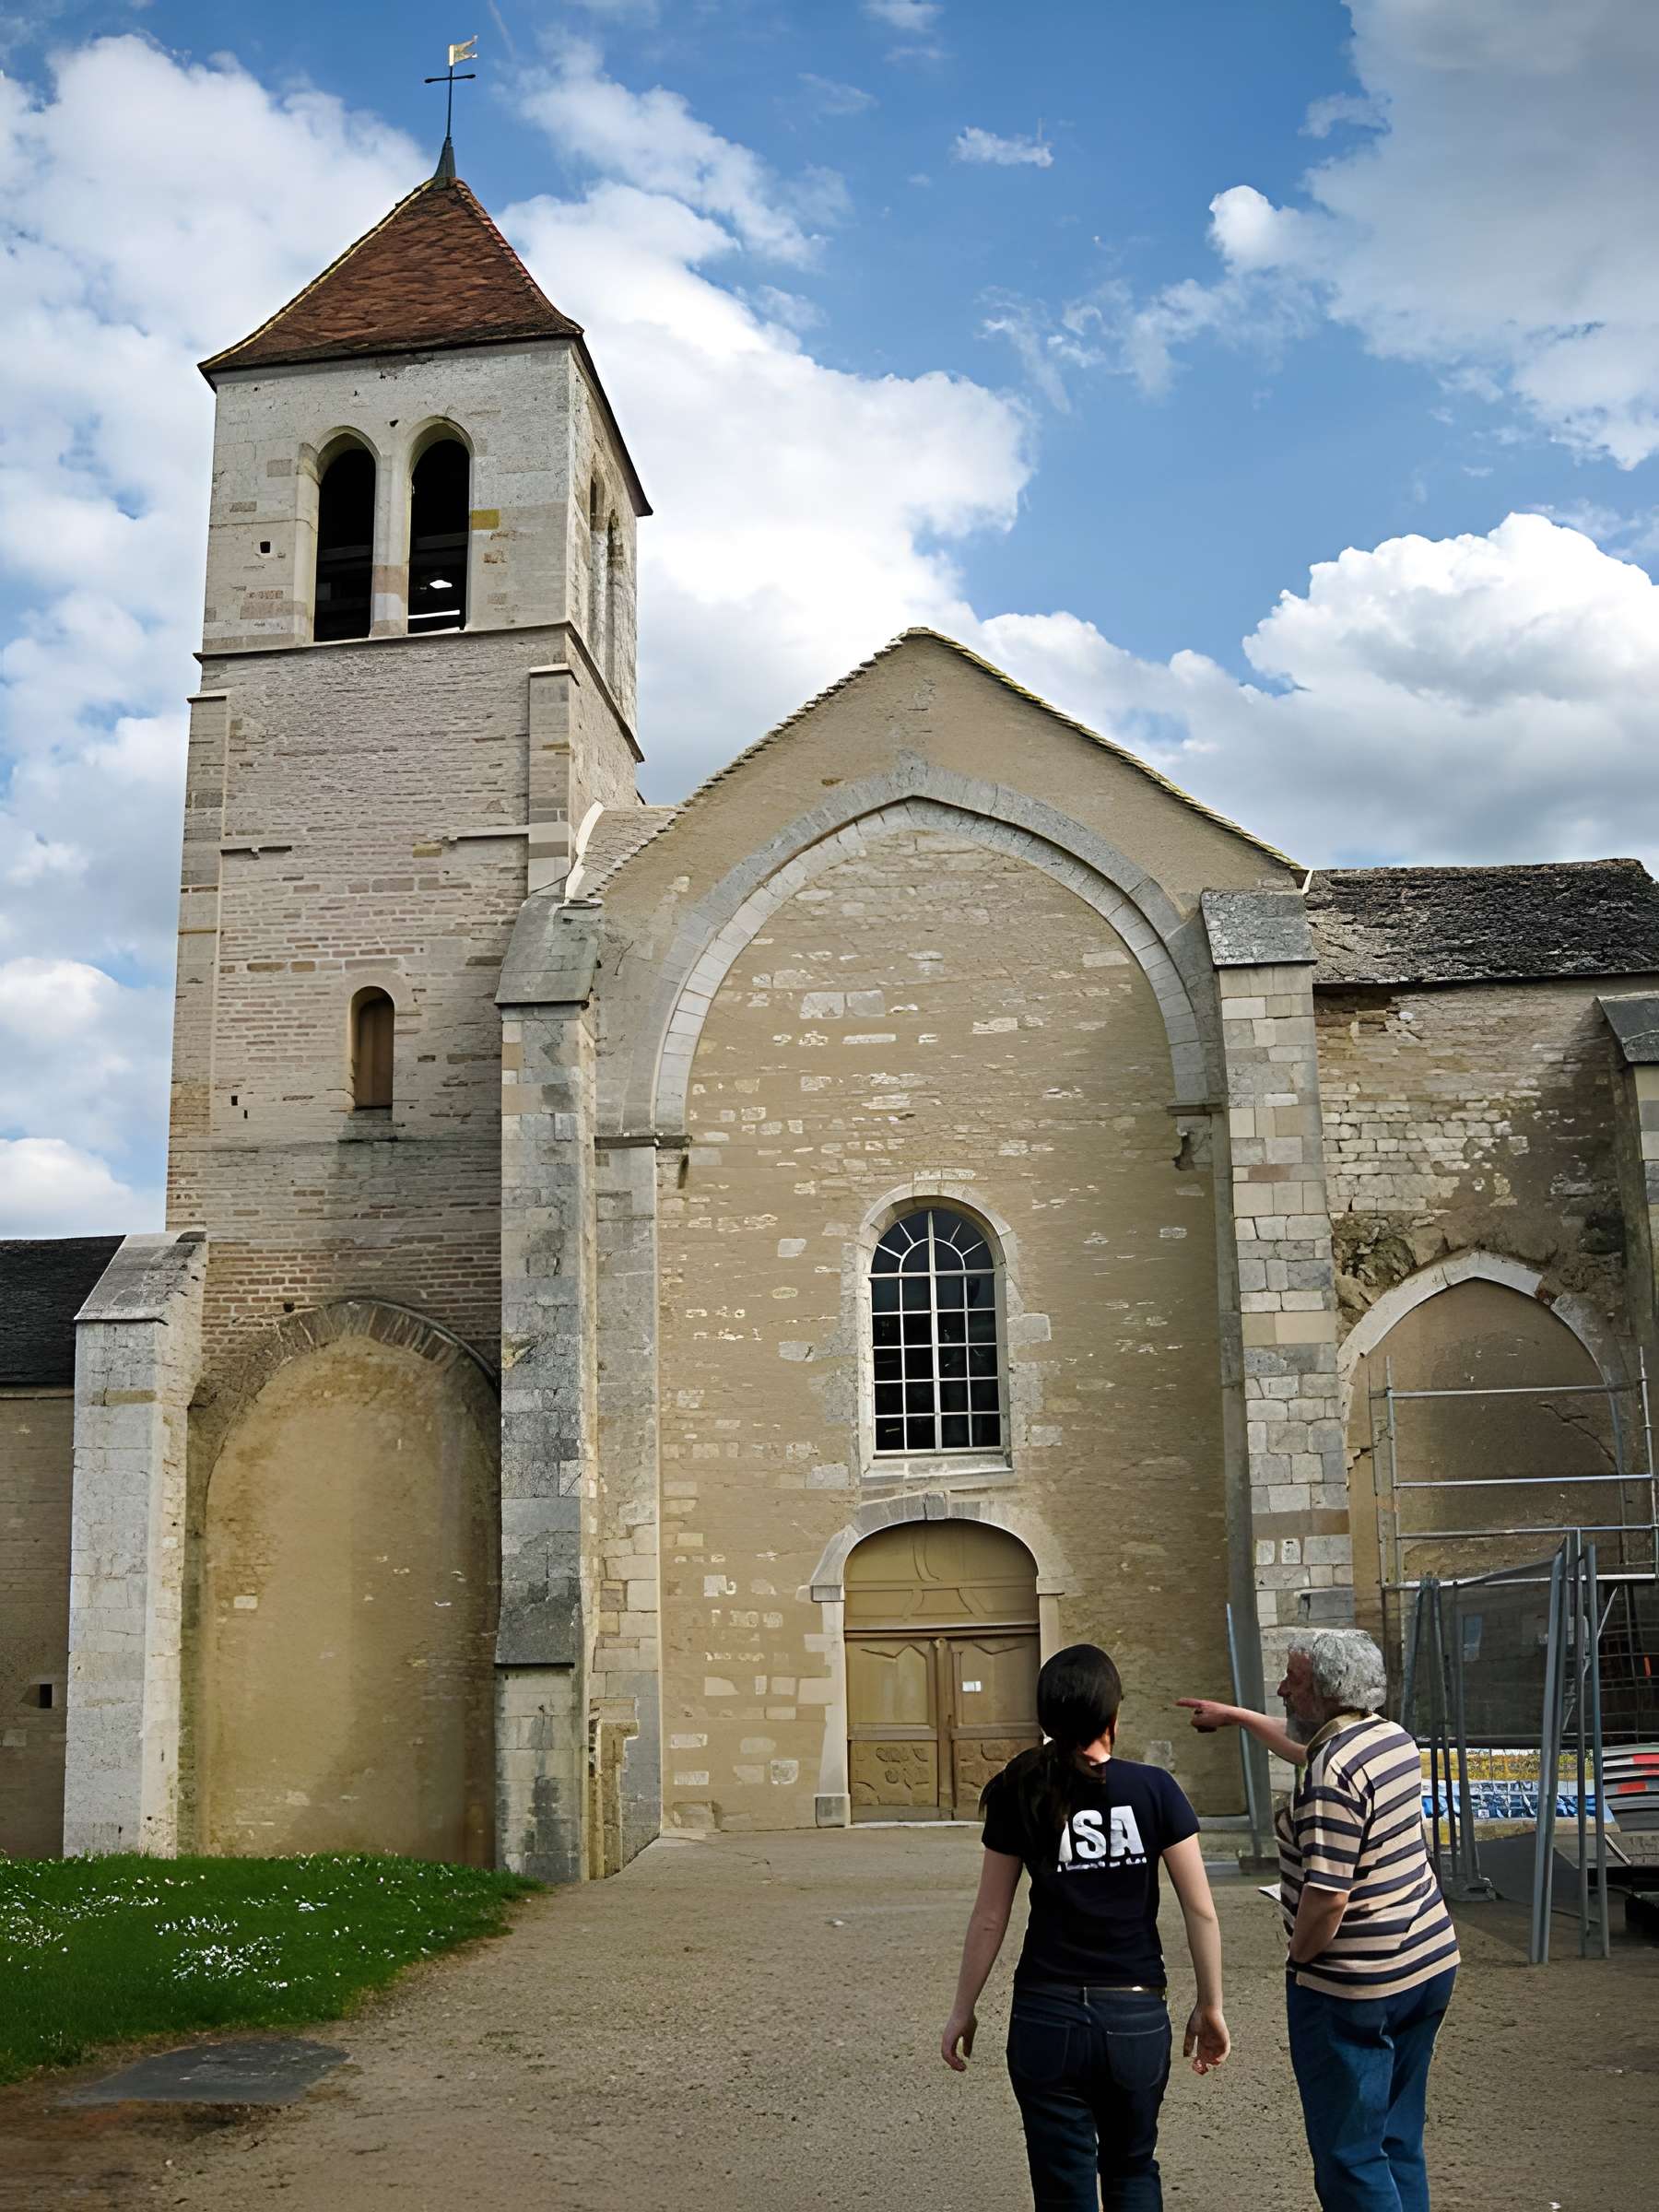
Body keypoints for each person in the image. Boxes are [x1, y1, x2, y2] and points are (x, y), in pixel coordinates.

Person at [1179, 1628, 1460, 2212]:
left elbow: (1327, 1897)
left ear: (1327, 1692)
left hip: (1356, 1982)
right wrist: (1236, 1716)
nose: (1281, 1689)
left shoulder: (1330, 1776)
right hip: (1427, 1961)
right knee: (1397, 2138)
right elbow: (1309, 1745)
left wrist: (1301, 1958)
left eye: (1293, 1680)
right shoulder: (1390, 1738)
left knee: (1350, 2155)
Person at [940, 1643, 1230, 2211]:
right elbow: (1201, 1910)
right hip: (1135, 2012)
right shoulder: (1155, 1789)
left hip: (1046, 2014)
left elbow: (990, 1915)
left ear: (1046, 1717)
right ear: (1113, 1717)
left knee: (1062, 2183)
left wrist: (962, 2008)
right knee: (1132, 2168)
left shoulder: (1016, 1789)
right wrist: (1210, 2004)